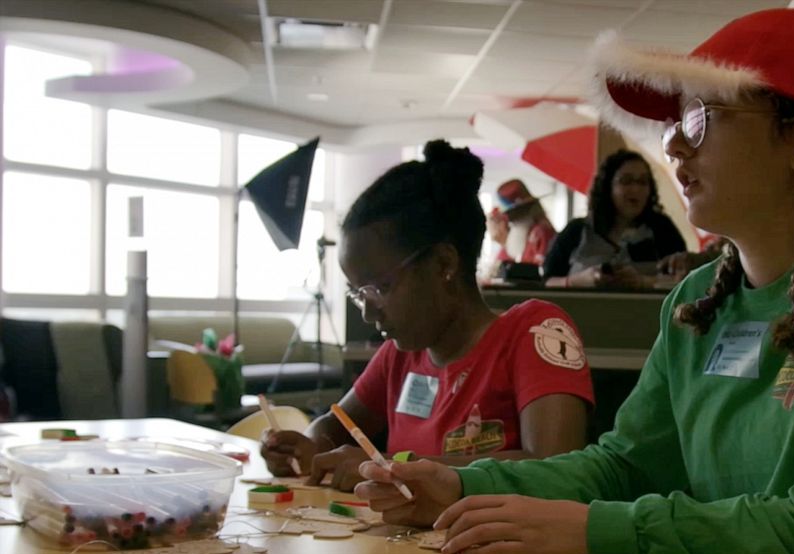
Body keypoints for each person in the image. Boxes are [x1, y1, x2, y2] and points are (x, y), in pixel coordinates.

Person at [354, 3, 794, 554]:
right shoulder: (697, 299)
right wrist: (461, 482)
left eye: (700, 120)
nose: (674, 151)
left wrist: (595, 532)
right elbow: (626, 465)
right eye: (673, 127)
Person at [261, 140, 595, 491]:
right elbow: (332, 426)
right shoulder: (401, 356)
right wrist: (310, 446)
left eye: (379, 288)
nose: (368, 310)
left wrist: (390, 466)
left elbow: (555, 467)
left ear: (443, 264)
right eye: (358, 294)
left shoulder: (533, 332)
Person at [543, 149, 686, 289]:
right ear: (608, 186)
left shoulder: (663, 229)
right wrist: (577, 281)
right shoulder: (576, 231)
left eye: (643, 182)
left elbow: (685, 280)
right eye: (626, 181)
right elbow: (546, 282)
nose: (635, 189)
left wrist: (643, 282)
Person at [486, 179, 557, 270]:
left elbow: (536, 273)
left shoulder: (540, 233)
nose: (510, 220)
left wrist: (505, 242)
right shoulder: (521, 235)